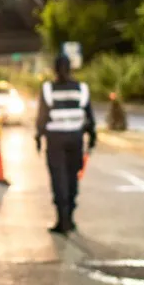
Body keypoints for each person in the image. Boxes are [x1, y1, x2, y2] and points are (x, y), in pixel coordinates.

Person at [34, 54, 97, 234]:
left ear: (54, 69)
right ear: (71, 68)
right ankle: (70, 218)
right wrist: (92, 136)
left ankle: (62, 220)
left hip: (55, 140)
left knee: (58, 178)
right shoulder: (81, 89)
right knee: (72, 177)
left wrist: (38, 137)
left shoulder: (48, 89)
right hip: (75, 138)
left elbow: (42, 117)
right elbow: (89, 116)